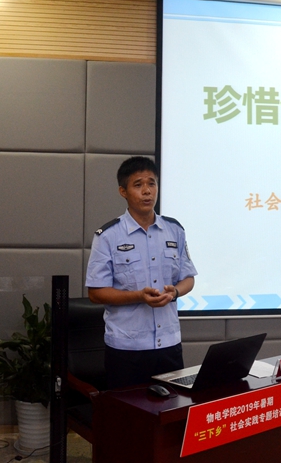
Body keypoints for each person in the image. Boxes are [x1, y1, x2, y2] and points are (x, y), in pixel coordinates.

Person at [85, 156, 197, 389]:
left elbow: (188, 278)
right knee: (128, 411)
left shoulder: (174, 230)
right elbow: (96, 293)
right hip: (127, 349)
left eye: (151, 183)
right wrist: (138, 296)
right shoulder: (108, 236)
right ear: (123, 191)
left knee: (172, 408)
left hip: (169, 345)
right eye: (138, 185)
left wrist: (175, 292)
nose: (147, 191)